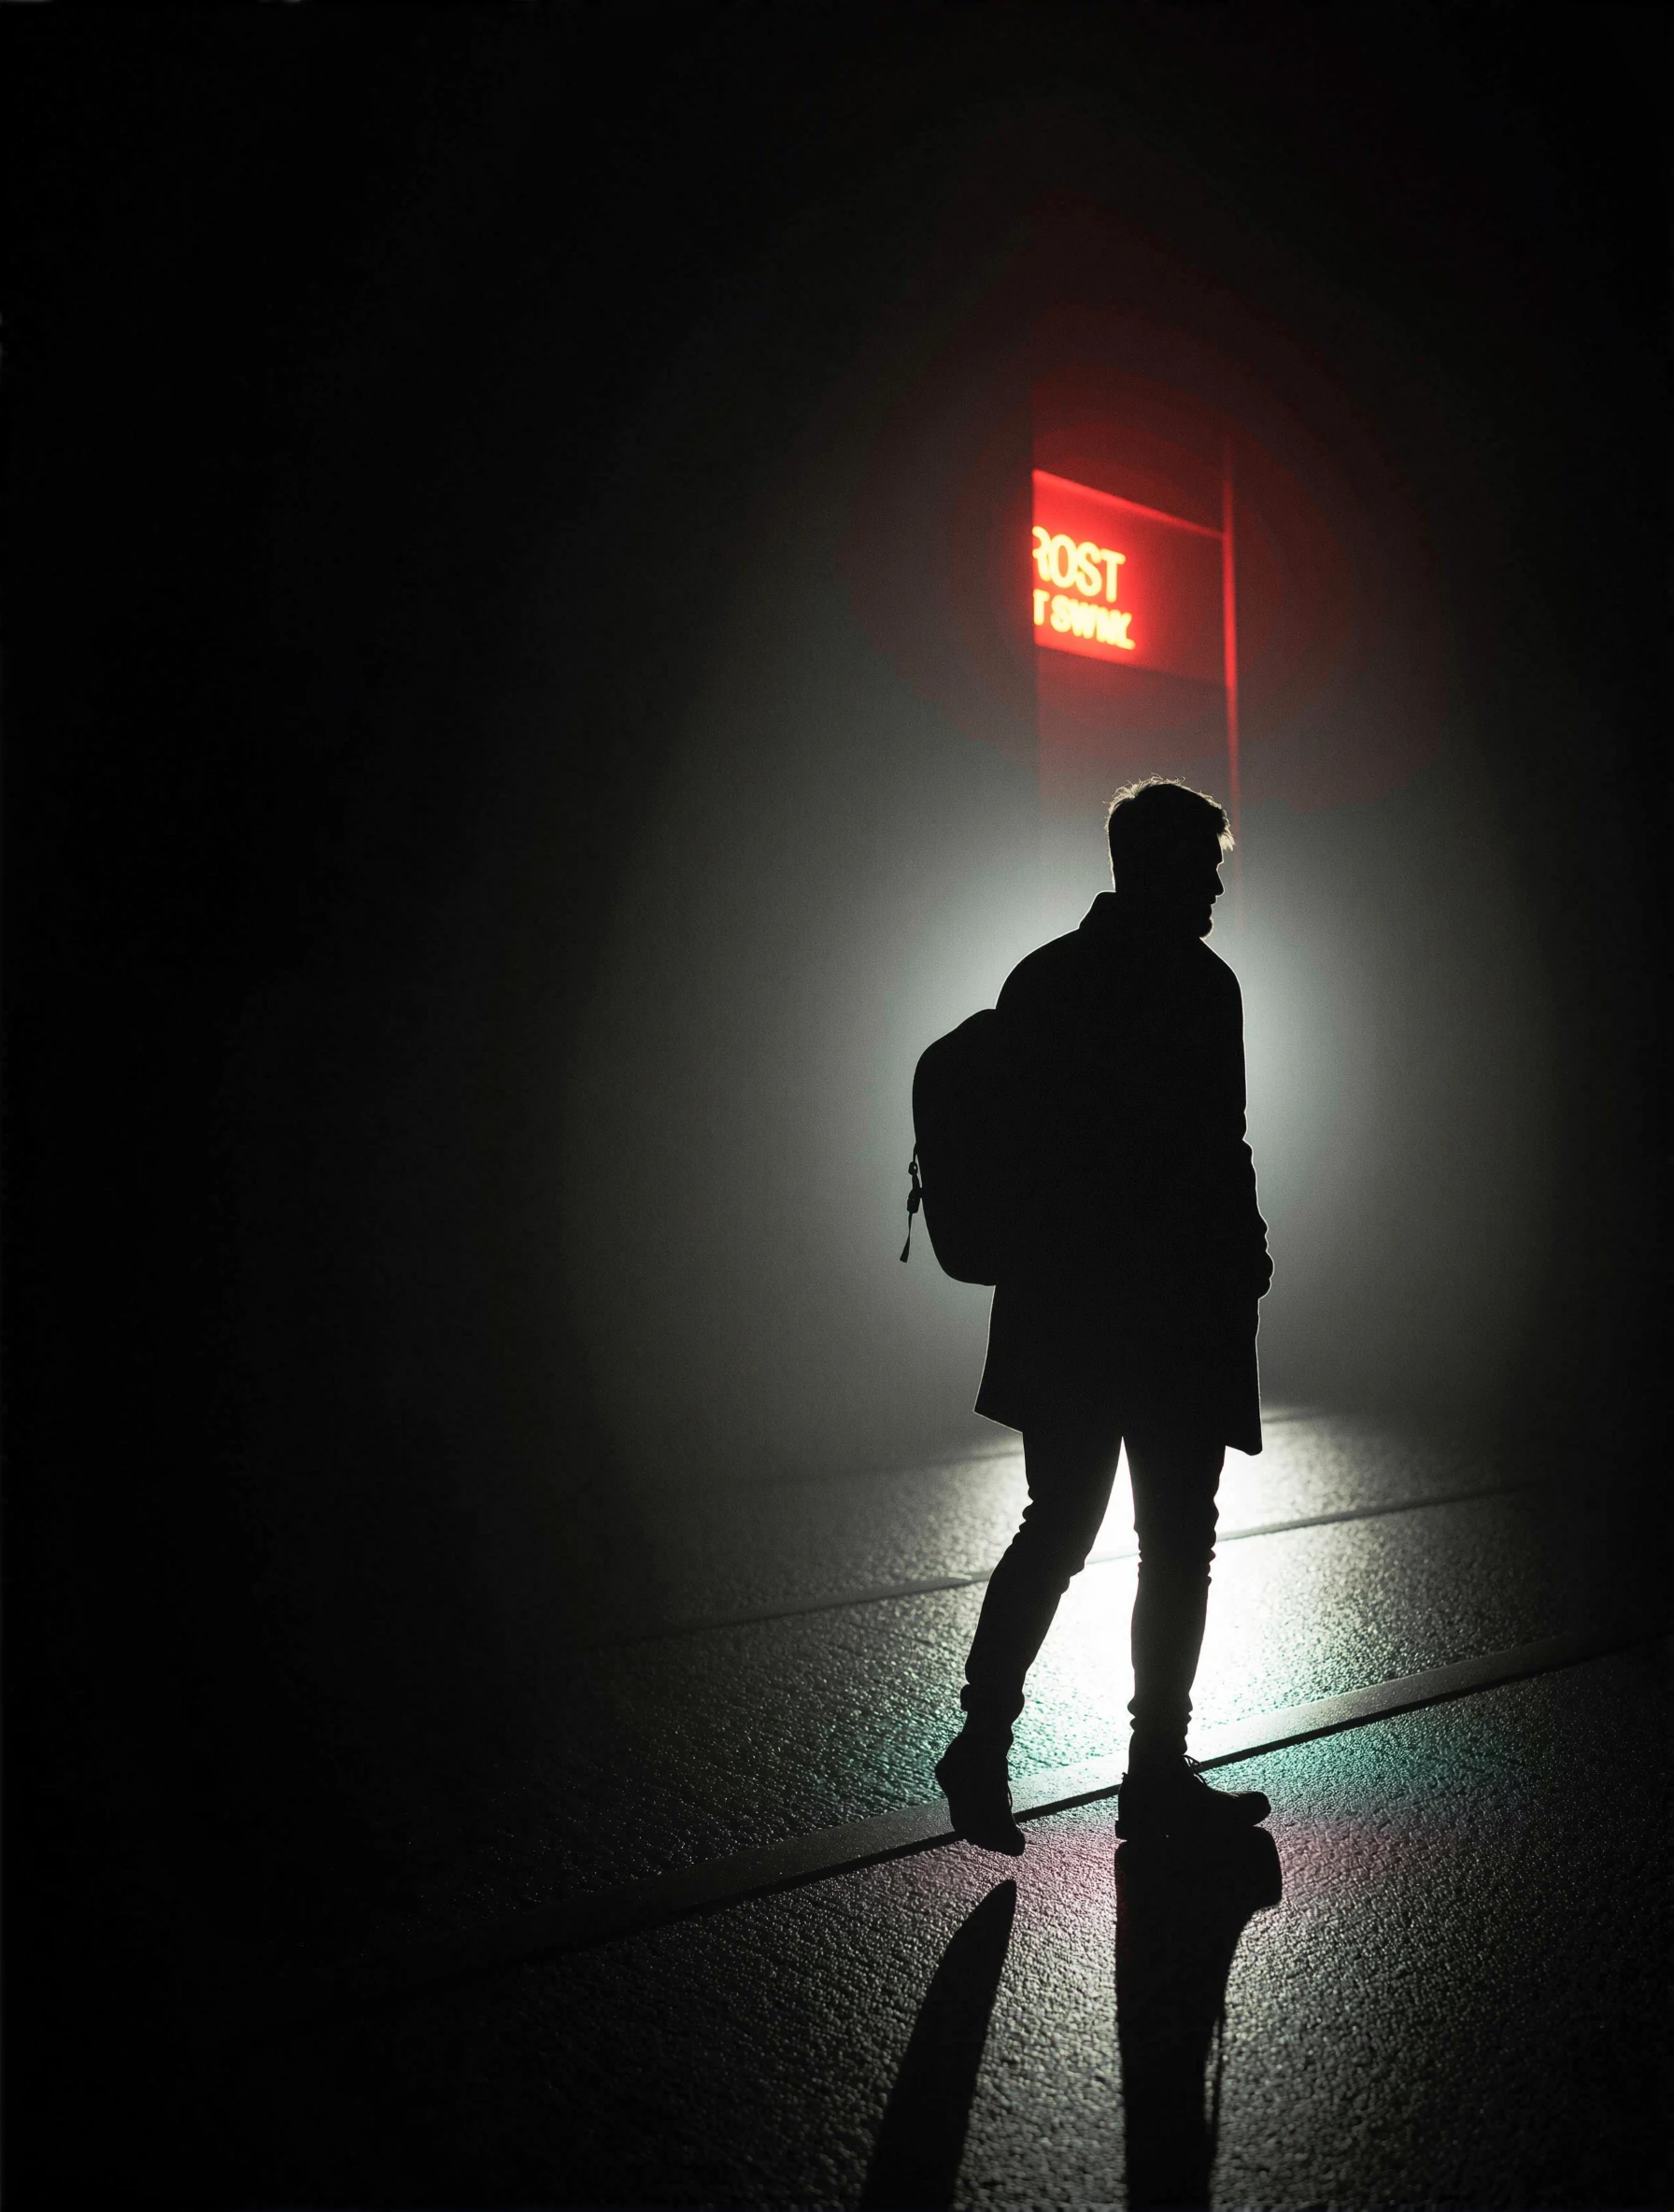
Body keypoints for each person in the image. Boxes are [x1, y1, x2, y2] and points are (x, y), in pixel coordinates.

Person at [935, 777, 1274, 1851]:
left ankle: (983, 1737)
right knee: (1177, 1543)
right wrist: (1244, 1258)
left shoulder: (1041, 977)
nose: (1217, 882)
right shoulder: (1204, 985)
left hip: (1066, 1312)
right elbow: (1220, 1144)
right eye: (1204, 862)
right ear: (1159, 863)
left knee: (1059, 1525)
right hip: (1171, 1310)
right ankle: (1153, 1772)